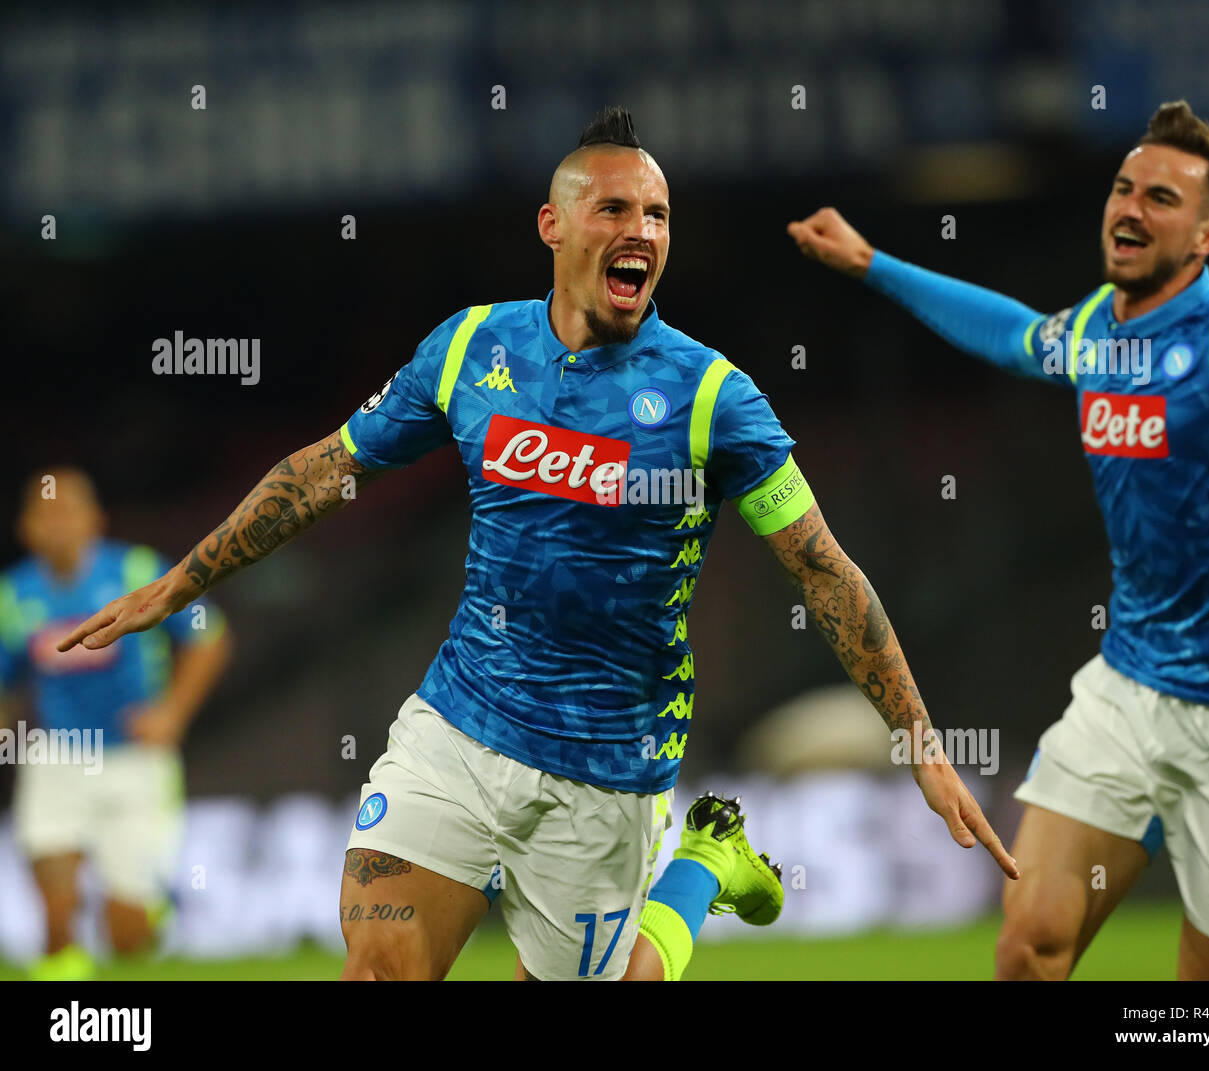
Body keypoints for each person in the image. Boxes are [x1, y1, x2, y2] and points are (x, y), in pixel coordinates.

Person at [60, 106, 1016, 982]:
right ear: (553, 225)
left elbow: (823, 569)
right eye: (614, 208)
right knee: (378, 968)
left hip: (606, 761)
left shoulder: (714, 397)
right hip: (460, 728)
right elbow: (326, 470)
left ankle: (700, 866)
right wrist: (179, 581)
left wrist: (920, 738)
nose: (642, 230)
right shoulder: (472, 348)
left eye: (659, 213)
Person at [788, 100, 1209, 981]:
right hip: (1128, 691)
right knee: (1029, 943)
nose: (1131, 207)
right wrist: (874, 264)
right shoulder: (1101, 327)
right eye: (1123, 187)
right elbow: (1015, 334)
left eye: (1163, 198)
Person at [0, 467, 230, 979]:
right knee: (56, 922)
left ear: (94, 520)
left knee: (125, 937)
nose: (57, 524)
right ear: (26, 527)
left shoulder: (135, 573)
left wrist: (172, 712)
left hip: (135, 759)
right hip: (58, 756)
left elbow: (209, 634)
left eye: (67, 511)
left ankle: (150, 912)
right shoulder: (11, 597)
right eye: (45, 513)